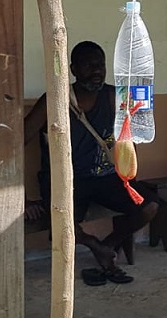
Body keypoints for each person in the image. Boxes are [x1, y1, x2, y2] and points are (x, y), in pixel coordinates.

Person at [23, 40, 159, 285]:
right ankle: (95, 245)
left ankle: (107, 247)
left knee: (149, 206)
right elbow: (18, 141)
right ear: (73, 69)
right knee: (61, 227)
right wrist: (19, 197)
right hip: (65, 181)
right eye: (89, 65)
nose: (97, 71)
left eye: (101, 65)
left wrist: (129, 178)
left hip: (105, 177)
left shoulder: (112, 96)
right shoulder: (54, 100)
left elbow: (127, 140)